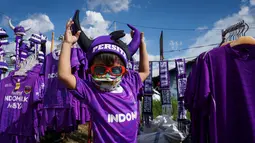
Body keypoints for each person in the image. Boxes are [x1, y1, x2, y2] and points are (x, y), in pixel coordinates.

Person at [58, 19, 149, 143]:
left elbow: (144, 72)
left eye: (115, 70)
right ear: (90, 71)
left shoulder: (130, 84)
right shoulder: (91, 91)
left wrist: (142, 44)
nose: (108, 74)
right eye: (100, 70)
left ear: (124, 71)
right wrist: (67, 43)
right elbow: (64, 75)